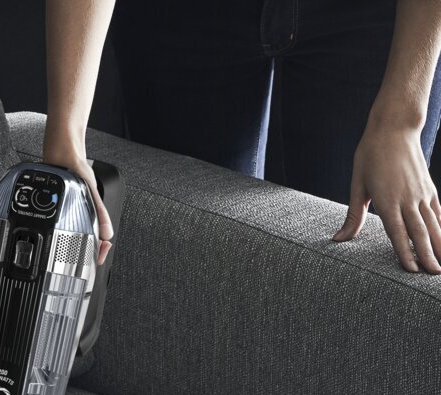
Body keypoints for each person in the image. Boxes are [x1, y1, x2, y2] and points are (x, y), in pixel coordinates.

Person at [43, 0, 441, 274]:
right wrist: (66, 129)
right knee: (183, 260)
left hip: (375, 15)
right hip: (187, 15)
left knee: (360, 273)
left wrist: (401, 121)